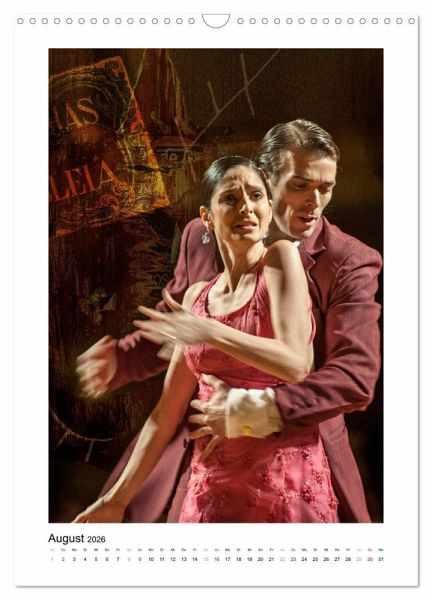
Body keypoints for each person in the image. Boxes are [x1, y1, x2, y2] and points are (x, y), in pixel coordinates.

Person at [76, 119, 382, 523]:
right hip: (208, 463)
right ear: (269, 179)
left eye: (326, 189)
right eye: (300, 185)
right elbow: (175, 323)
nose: (315, 202)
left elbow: (352, 376)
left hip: (291, 458)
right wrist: (123, 357)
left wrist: (249, 409)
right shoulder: (199, 240)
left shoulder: (345, 260)